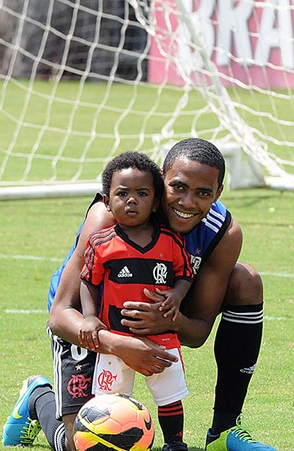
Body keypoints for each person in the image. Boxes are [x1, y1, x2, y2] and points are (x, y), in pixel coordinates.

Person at [3, 138, 276, 451]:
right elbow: (60, 315)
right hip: (90, 318)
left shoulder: (223, 233)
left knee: (246, 280)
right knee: (85, 443)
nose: (188, 202)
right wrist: (120, 344)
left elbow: (197, 332)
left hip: (160, 312)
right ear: (161, 179)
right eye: (178, 187)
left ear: (218, 193)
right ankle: (38, 399)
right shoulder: (111, 215)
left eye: (203, 193)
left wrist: (169, 321)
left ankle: (225, 430)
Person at [79, 151, 193, 450]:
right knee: (108, 402)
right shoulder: (101, 242)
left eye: (142, 193)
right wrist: (90, 318)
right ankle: (106, 441)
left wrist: (178, 294)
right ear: (106, 200)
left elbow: (185, 274)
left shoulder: (171, 241)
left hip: (163, 338)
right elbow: (88, 282)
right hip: (115, 337)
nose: (132, 200)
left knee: (169, 395)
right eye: (122, 193)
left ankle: (175, 442)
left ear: (155, 202)